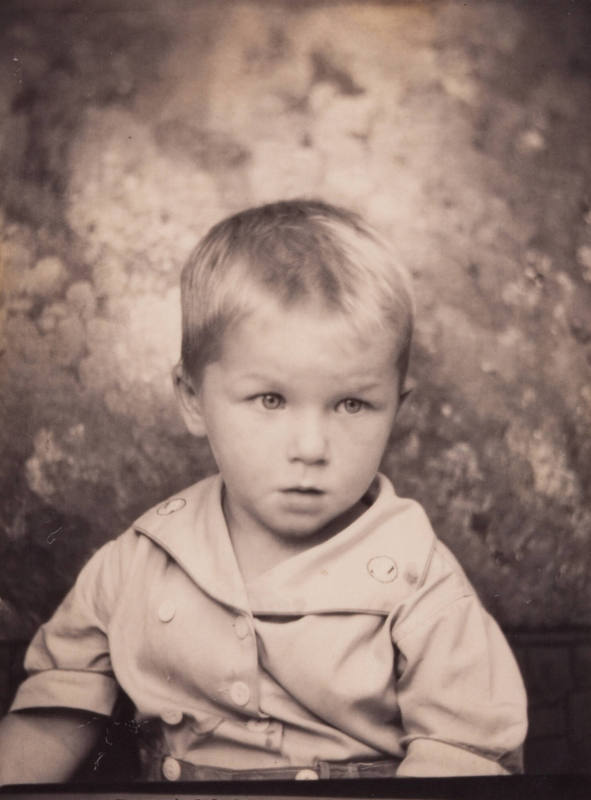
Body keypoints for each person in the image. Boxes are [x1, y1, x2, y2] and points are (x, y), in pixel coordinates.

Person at [0, 200, 527, 784]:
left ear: (397, 410)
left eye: (352, 404)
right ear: (193, 397)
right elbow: (50, 718)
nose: (310, 446)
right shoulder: (141, 560)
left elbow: (465, 761)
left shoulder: (419, 580)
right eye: (270, 400)